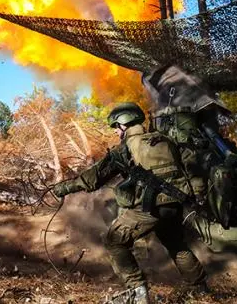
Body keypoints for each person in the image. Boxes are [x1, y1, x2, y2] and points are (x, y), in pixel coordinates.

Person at [52, 103, 207, 304]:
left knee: (114, 240)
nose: (116, 131)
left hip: (150, 206)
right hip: (176, 205)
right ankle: (200, 289)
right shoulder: (165, 140)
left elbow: (93, 177)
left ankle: (137, 293)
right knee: (176, 244)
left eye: (116, 126)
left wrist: (63, 188)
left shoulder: (126, 148)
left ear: (125, 124)